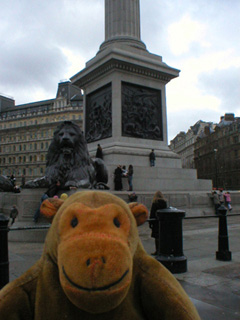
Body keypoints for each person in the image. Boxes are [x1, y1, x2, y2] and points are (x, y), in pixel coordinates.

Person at [149, 191, 167, 255]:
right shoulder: (164, 202)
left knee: (157, 237)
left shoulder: (155, 202)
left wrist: (150, 223)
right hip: (163, 222)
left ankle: (157, 250)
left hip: (156, 222)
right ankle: (163, 250)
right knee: (162, 236)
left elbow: (152, 213)